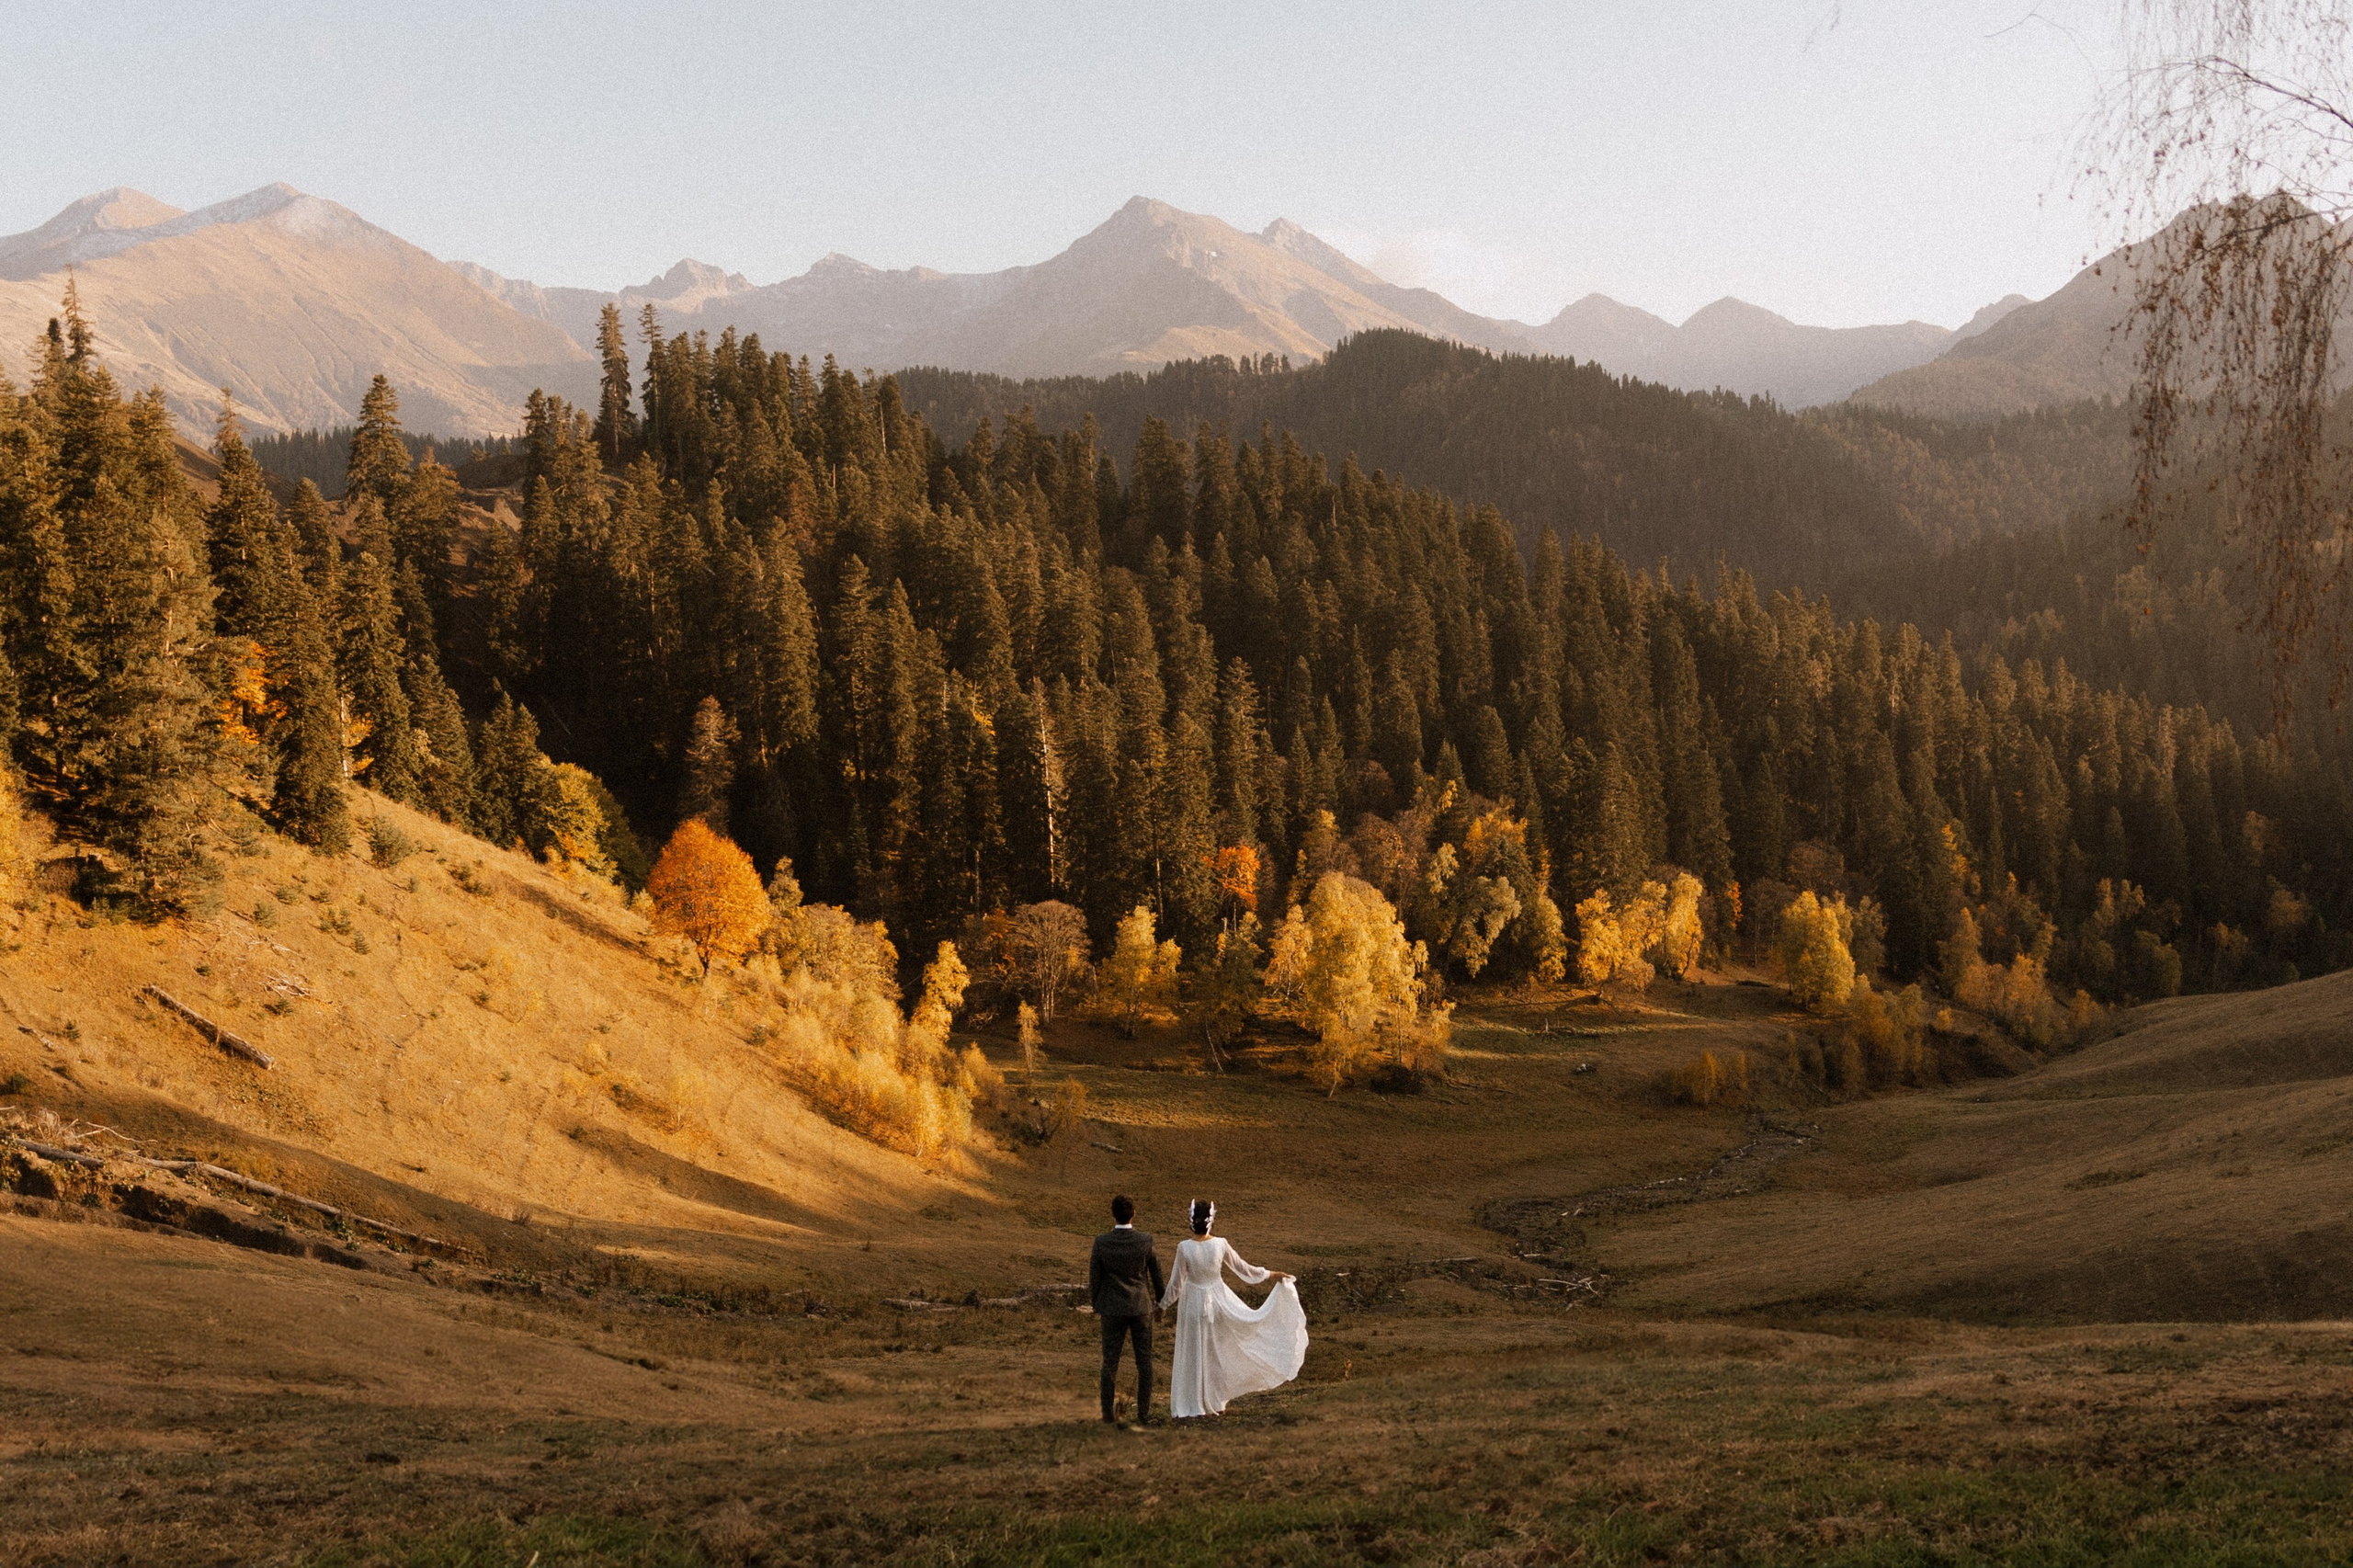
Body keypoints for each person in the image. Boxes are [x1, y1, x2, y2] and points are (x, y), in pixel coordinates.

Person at [1160, 1198, 1308, 1418]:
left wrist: (1161, 1306)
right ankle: (1217, 1401)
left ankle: (1195, 1402)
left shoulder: (1184, 1248)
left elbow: (1176, 1285)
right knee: (1216, 1353)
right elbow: (1244, 1269)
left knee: (1194, 1353)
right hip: (1219, 1302)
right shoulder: (1220, 1244)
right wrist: (1272, 1275)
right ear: (1211, 1221)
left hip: (1192, 1304)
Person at [1087, 1193, 1165, 1427]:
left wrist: (1096, 1304)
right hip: (1140, 1306)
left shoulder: (1102, 1242)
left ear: (1113, 1214)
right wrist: (1161, 1303)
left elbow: (1095, 1277)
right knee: (1144, 1362)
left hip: (1112, 1307)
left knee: (1110, 1361)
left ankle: (1107, 1414)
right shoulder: (1145, 1241)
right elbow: (1157, 1276)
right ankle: (1143, 1413)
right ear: (1133, 1213)